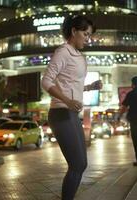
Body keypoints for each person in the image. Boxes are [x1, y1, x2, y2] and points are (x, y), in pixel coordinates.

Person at [41, 15, 102, 200]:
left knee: (81, 164)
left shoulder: (78, 55)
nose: (88, 38)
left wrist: (89, 87)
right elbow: (46, 81)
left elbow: (70, 84)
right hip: (61, 113)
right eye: (85, 33)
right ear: (74, 31)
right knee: (77, 164)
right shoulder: (63, 52)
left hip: (71, 113)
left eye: (90, 35)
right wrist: (67, 101)